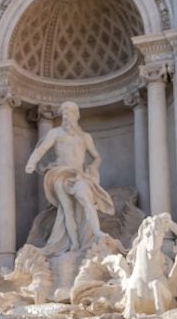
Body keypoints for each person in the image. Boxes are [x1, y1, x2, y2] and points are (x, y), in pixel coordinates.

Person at [25, 101, 114, 256]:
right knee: (67, 210)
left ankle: (96, 232)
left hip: (79, 175)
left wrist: (93, 166)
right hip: (60, 173)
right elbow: (41, 149)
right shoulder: (55, 133)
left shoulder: (85, 137)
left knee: (85, 198)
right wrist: (32, 162)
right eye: (64, 113)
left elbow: (97, 156)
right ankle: (74, 244)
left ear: (76, 115)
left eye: (70, 113)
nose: (67, 116)